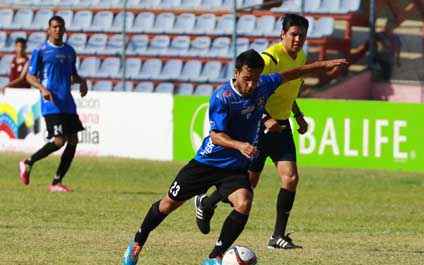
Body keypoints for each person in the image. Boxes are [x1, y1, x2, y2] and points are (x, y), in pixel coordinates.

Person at [122, 49, 347, 265]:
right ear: (236, 73)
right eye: (248, 78)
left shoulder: (263, 86)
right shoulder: (223, 97)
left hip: (234, 168)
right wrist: (240, 145)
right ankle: (137, 242)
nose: (252, 85)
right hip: (206, 163)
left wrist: (321, 65)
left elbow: (292, 74)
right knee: (167, 205)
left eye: (256, 79)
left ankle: (215, 257)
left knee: (244, 202)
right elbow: (216, 136)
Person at [194, 14, 338, 250]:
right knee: (248, 184)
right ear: (282, 34)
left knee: (291, 178)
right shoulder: (269, 58)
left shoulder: (300, 57)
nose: (298, 39)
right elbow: (250, 91)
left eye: (302, 35)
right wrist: (266, 118)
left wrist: (298, 115)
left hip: (281, 127)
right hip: (259, 127)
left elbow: (285, 92)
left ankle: (277, 236)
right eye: (293, 34)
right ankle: (207, 202)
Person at [18, 16, 88, 192]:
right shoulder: (41, 50)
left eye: (61, 27)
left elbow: (72, 75)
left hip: (67, 102)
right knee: (59, 141)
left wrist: (82, 81)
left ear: (64, 30)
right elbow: (29, 76)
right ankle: (28, 162)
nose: (58, 29)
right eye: (55, 27)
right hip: (51, 102)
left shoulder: (70, 51)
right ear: (49, 30)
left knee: (73, 140)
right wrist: (42, 89)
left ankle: (56, 182)